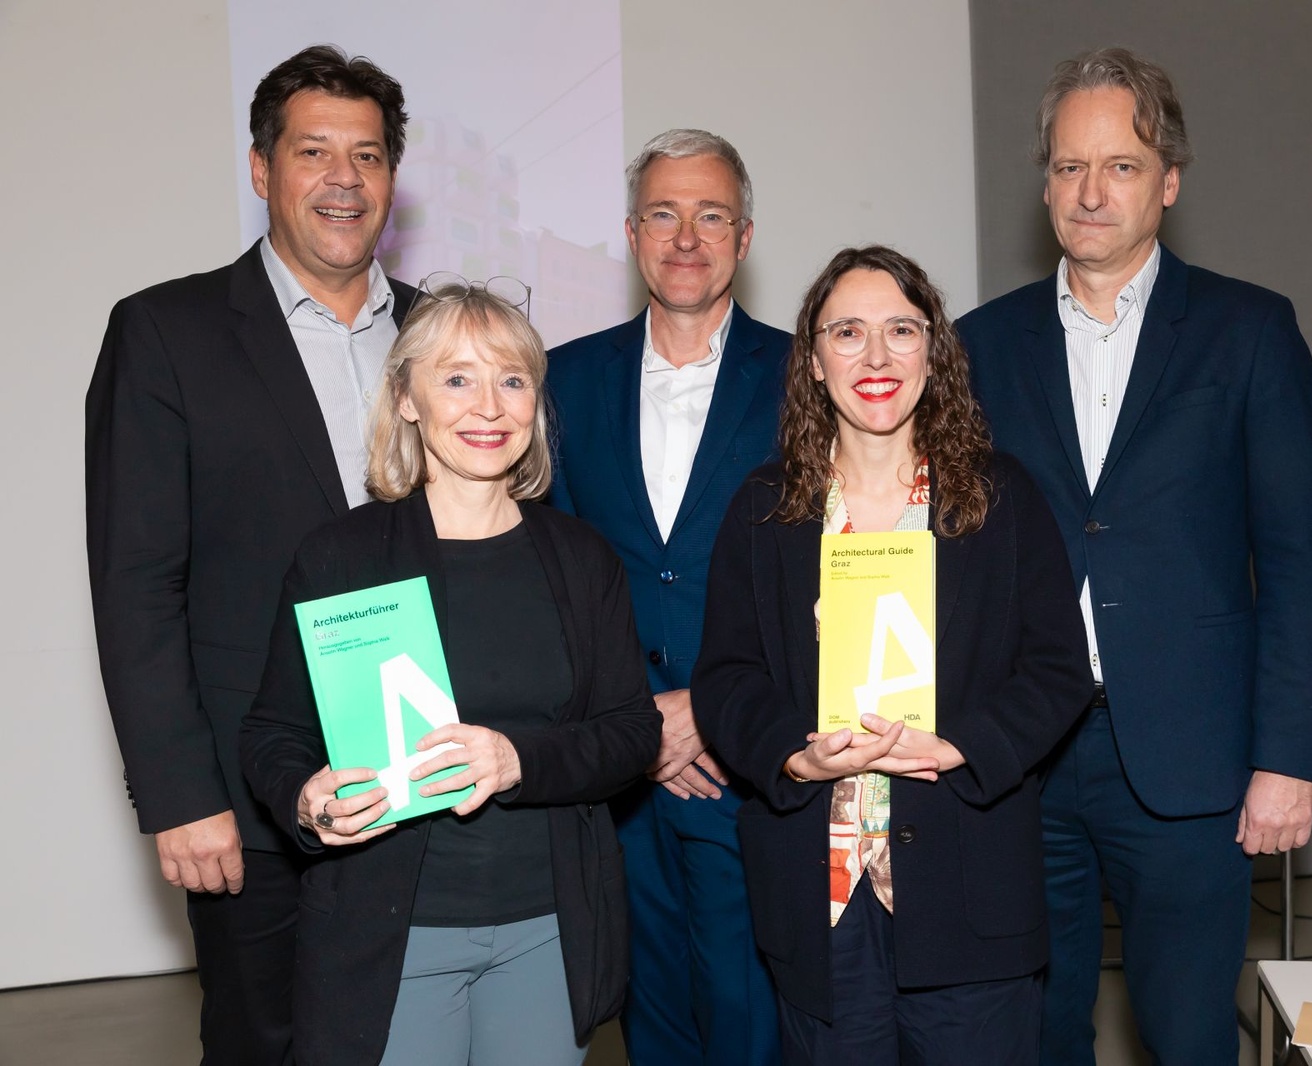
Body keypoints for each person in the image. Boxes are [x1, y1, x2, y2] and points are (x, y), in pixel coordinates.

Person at [956, 47, 1312, 1064]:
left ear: (1167, 181)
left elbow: (1296, 561)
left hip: (1193, 758)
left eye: (1120, 165)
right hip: (1020, 759)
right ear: (1044, 184)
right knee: (1032, 1032)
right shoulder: (978, 346)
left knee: (1188, 1034)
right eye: (1069, 166)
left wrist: (1287, 758)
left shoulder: (1249, 332)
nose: (1091, 192)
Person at [85, 45, 413, 1064]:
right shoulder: (165, 333)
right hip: (253, 796)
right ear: (262, 168)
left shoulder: (441, 332)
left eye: (367, 155)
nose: (343, 179)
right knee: (265, 1042)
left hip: (429, 773)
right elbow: (137, 585)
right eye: (314, 151)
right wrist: (183, 795)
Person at [238, 277, 661, 1066]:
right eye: (458, 379)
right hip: (390, 935)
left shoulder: (581, 558)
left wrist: (515, 760)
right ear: (407, 398)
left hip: (548, 931)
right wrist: (305, 798)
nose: (489, 407)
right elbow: (273, 732)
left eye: (513, 380)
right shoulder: (341, 557)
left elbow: (633, 732)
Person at [693, 246, 1095, 1065]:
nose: (876, 357)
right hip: (821, 902)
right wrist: (793, 756)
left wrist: (961, 747)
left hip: (969, 893)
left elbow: (1059, 668)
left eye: (901, 330)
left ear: (933, 353)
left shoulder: (1001, 497)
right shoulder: (765, 508)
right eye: (847, 332)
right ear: (813, 361)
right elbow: (727, 677)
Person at [545, 128, 787, 1065]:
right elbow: (554, 575)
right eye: (663, 215)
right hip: (620, 779)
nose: (687, 238)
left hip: (751, 766)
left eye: (712, 216)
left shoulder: (808, 375)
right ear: (631, 234)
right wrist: (636, 723)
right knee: (649, 1023)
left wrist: (714, 713)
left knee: (755, 1019)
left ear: (745, 236)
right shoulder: (563, 380)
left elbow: (826, 574)